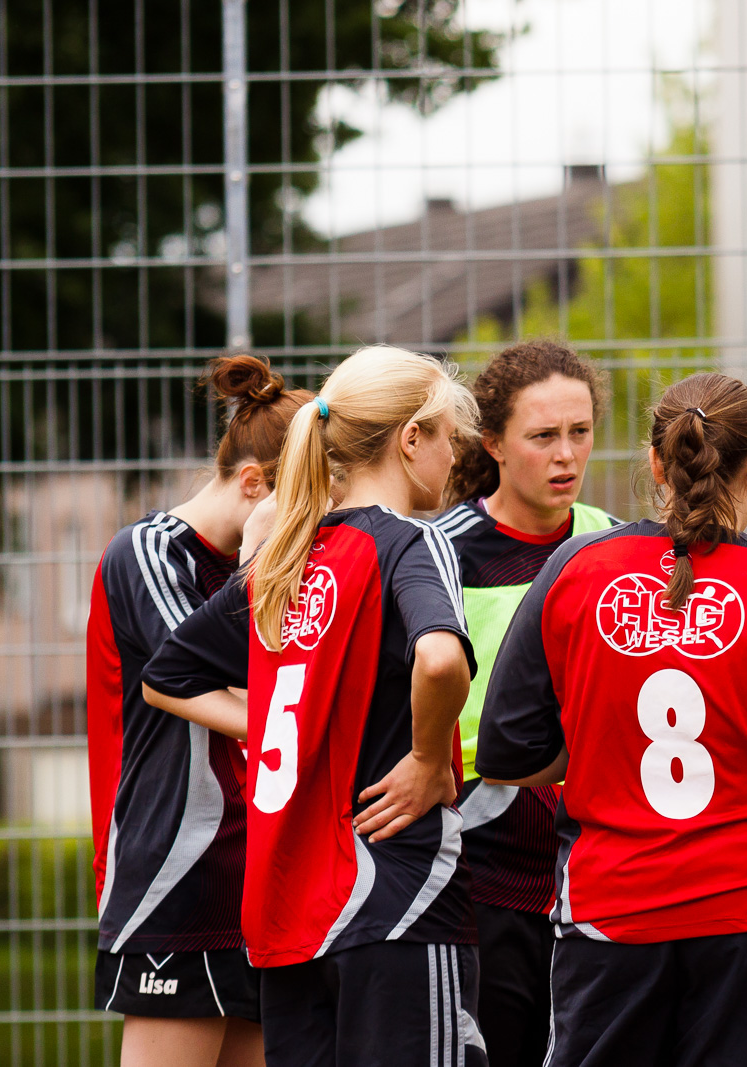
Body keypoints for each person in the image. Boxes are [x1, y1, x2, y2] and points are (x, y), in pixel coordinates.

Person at [475, 372, 747, 1067]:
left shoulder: (575, 568)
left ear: (656, 462)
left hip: (611, 911)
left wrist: (600, 745)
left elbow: (509, 755)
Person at [140, 345, 487, 1067]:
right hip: (395, 897)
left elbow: (166, 673)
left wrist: (273, 724)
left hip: (286, 911)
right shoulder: (410, 541)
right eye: (449, 435)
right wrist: (427, 758)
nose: (455, 456)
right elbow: (441, 657)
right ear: (411, 438)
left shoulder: (287, 562)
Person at [87, 354, 310, 1067]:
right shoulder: (149, 551)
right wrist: (255, 562)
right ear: (254, 485)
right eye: (301, 503)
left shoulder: (280, 563)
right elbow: (202, 670)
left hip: (263, 876)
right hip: (177, 880)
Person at [432, 339, 618, 1067]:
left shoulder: (618, 546)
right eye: (543, 436)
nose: (566, 454)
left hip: (604, 868)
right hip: (486, 873)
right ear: (494, 444)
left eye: (580, 432)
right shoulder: (439, 553)